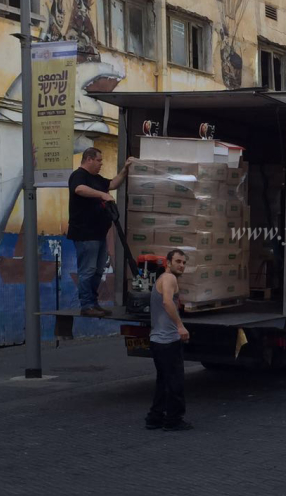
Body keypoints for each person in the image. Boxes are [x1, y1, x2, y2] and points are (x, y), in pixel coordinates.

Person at [68, 147, 131, 317]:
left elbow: (112, 184)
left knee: (98, 270)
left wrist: (125, 170)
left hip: (99, 233)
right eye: (98, 160)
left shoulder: (97, 179)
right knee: (88, 270)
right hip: (85, 234)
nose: (101, 164)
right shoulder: (79, 175)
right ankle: (86, 305)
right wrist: (102, 195)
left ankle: (93, 303)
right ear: (89, 159)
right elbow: (79, 189)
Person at [146, 249, 193, 431]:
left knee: (163, 382)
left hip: (158, 340)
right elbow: (167, 301)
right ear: (168, 263)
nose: (181, 265)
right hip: (167, 341)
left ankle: (155, 418)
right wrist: (180, 326)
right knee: (175, 382)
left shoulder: (163, 279)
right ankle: (173, 420)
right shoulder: (169, 278)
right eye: (178, 261)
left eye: (184, 262)